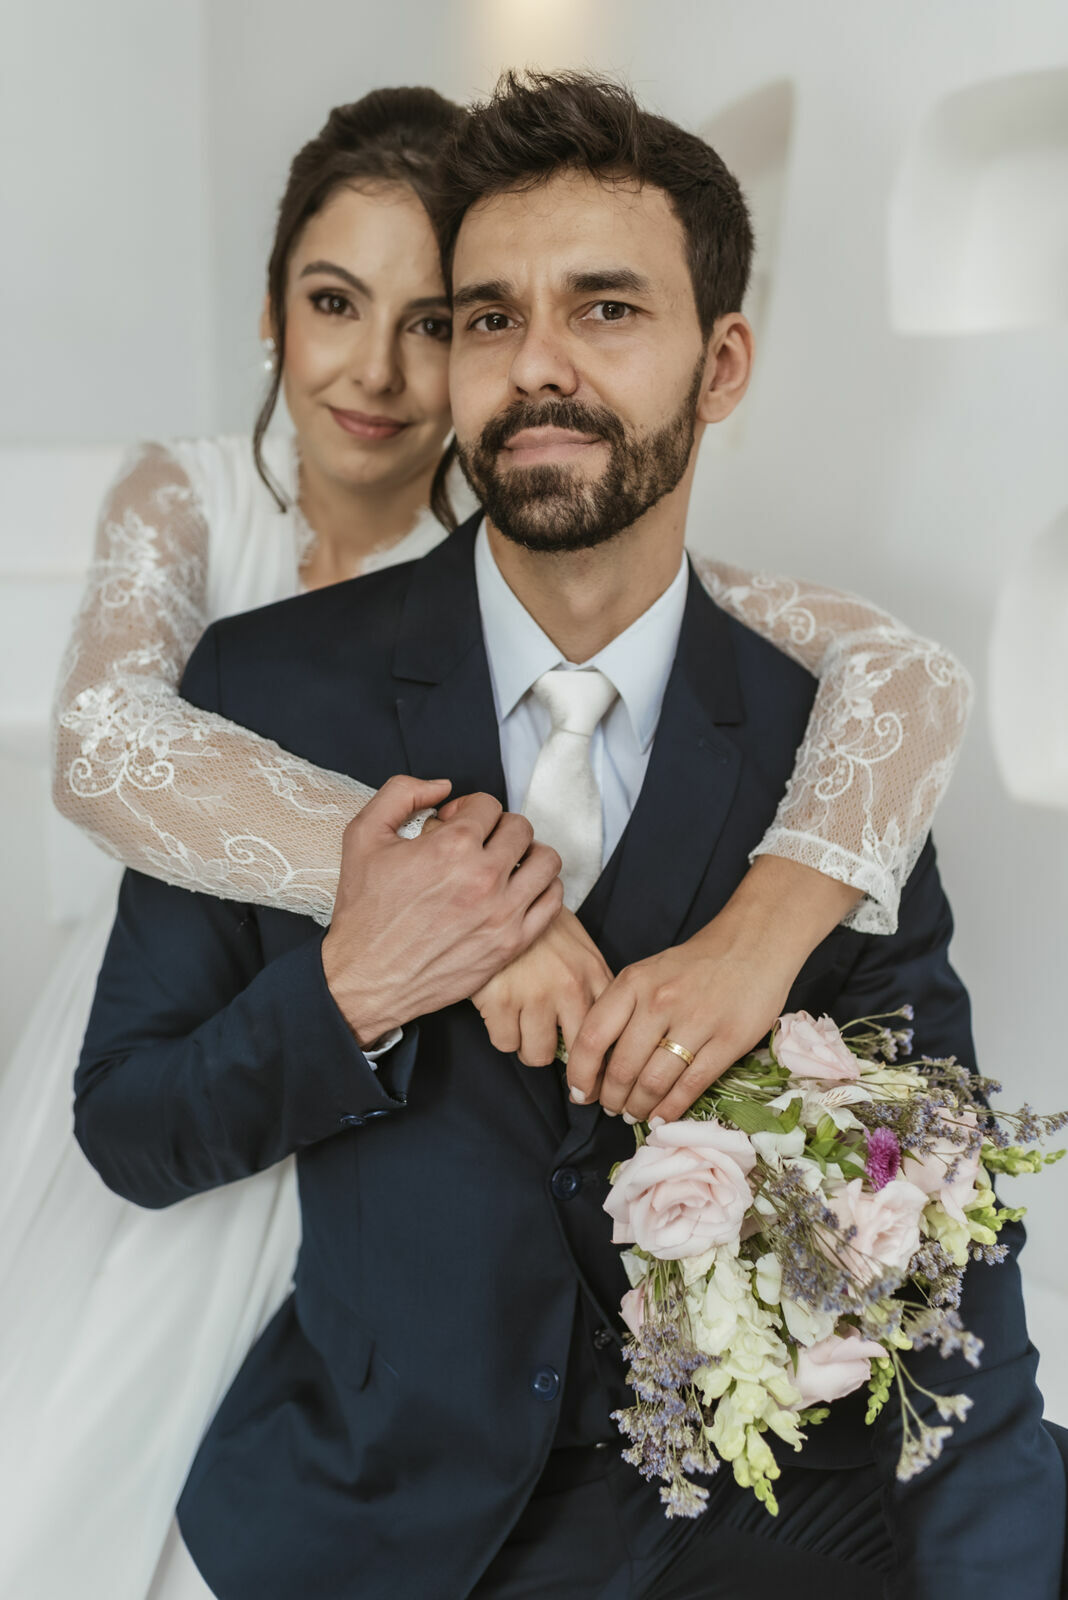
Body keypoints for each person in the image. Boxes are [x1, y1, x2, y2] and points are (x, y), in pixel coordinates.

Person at [69, 70, 1064, 1600]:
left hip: (756, 1540)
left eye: (606, 310)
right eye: (486, 318)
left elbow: (949, 1249)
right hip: (355, 1525)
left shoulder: (835, 752)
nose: (537, 367)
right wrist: (357, 987)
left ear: (721, 361)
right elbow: (134, 1127)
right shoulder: (267, 691)